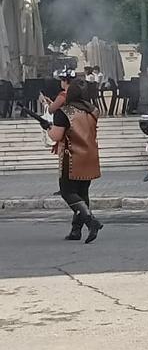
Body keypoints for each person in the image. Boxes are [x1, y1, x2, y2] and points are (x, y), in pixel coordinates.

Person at [46, 78, 103, 243]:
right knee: (82, 193)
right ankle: (76, 231)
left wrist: (48, 128)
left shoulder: (63, 112)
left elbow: (56, 135)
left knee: (67, 192)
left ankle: (91, 221)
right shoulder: (94, 110)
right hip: (90, 156)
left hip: (71, 158)